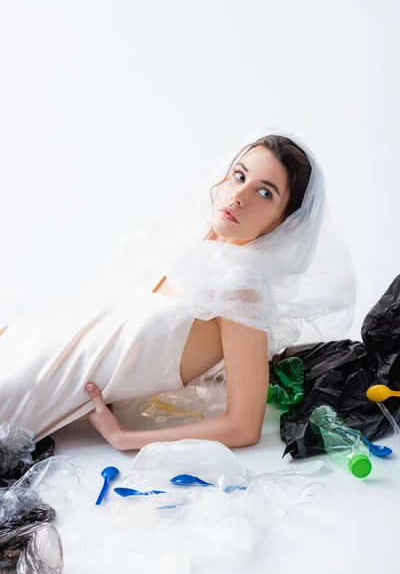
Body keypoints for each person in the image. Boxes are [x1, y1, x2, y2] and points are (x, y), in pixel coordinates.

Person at [0, 130, 356, 450]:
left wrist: (125, 438)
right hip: (21, 345)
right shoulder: (189, 251)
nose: (239, 196)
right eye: (239, 176)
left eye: (265, 192)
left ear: (284, 223)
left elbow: (244, 426)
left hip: (23, 389)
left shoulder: (241, 291)